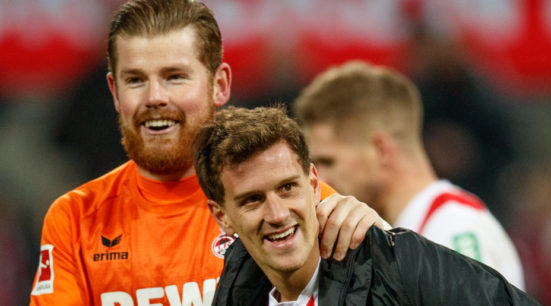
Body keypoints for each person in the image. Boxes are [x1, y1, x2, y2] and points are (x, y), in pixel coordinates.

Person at [29, 1, 383, 305]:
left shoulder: (294, 202)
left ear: (220, 85)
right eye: (135, 80)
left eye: (174, 77)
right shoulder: (75, 219)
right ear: (115, 91)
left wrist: (378, 237)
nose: (154, 97)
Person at [192, 105, 539, 305]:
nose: (278, 214)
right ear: (222, 216)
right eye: (252, 200)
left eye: (287, 188)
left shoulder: (397, 263)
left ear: (314, 186)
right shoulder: (234, 295)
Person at [293, 60, 525, 289]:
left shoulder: (455, 228)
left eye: (328, 162)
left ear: (381, 151)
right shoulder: (405, 236)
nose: (319, 180)